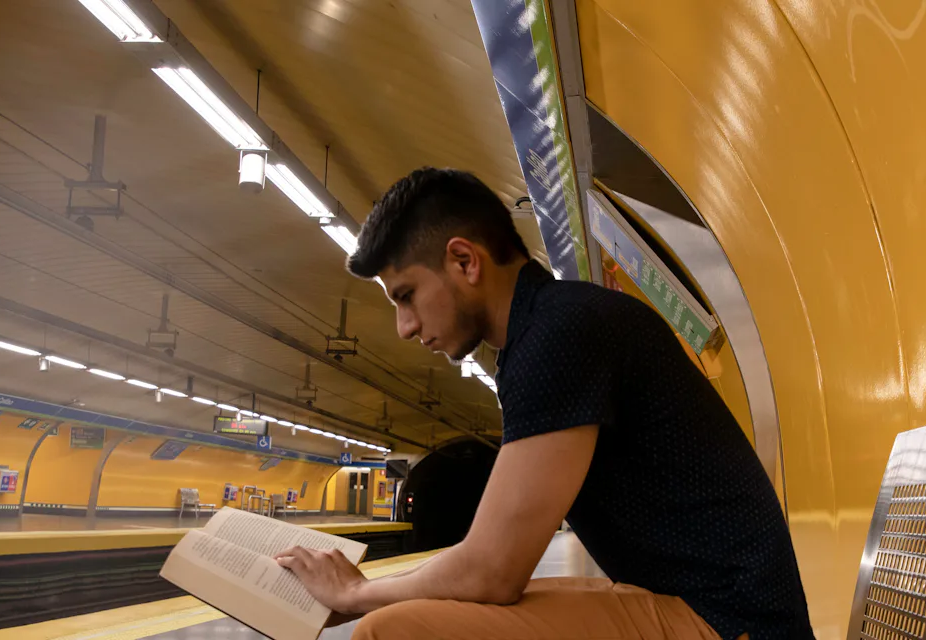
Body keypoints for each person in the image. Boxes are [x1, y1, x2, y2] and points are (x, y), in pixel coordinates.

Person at [275, 168, 812, 639]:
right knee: (424, 605)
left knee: (391, 630)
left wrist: (356, 593)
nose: (406, 327)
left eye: (406, 295)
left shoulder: (558, 337)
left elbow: (493, 571)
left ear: (464, 260)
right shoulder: (553, 326)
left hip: (728, 622)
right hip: (721, 606)